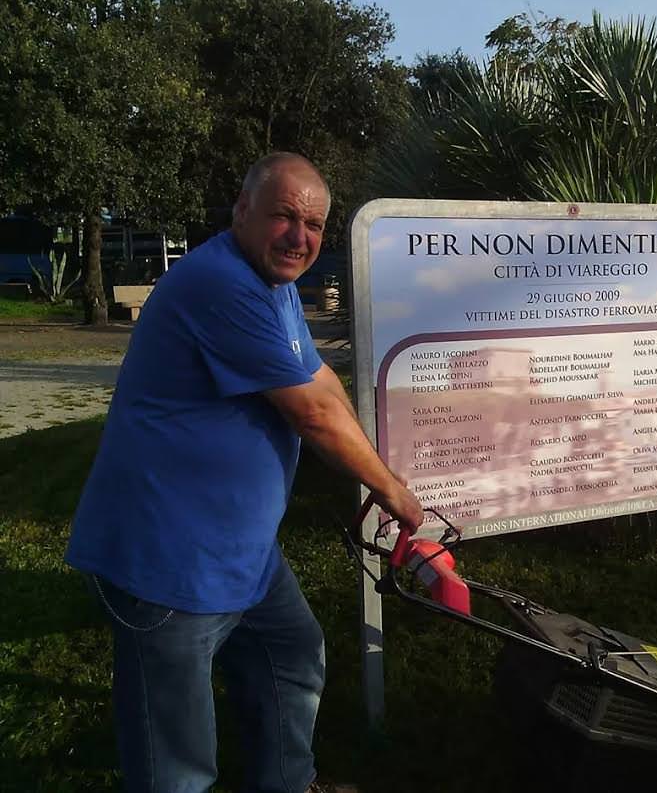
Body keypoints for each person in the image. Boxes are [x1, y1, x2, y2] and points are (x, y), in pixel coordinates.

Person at [65, 152, 422, 793]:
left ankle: (288, 783)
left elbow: (315, 379)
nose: (300, 237)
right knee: (175, 749)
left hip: (241, 551)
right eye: (284, 216)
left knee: (291, 656)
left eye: (314, 225)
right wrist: (389, 488)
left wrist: (370, 464)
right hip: (169, 559)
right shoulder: (222, 284)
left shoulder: (273, 285)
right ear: (241, 211)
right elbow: (312, 415)